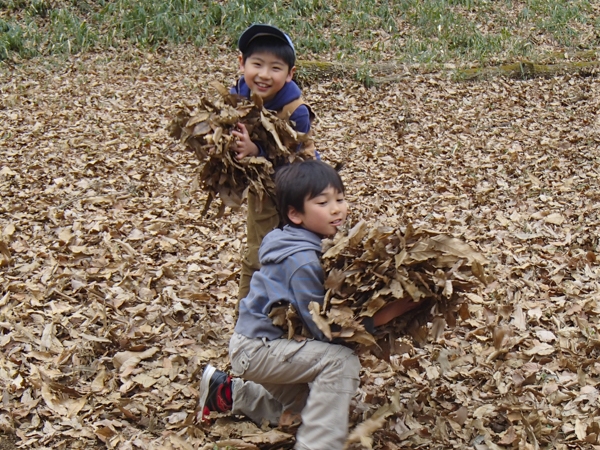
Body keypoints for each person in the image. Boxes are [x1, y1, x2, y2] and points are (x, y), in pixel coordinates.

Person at [198, 160, 418, 450]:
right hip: (258, 350)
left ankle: (224, 392)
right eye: (323, 202)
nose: (337, 208)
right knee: (341, 363)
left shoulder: (304, 240)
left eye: (339, 199)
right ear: (295, 214)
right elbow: (324, 329)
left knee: (311, 412)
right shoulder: (301, 261)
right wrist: (389, 312)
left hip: (262, 346)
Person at [230, 23, 316, 302]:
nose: (264, 75)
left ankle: (297, 312)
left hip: (303, 189)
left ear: (290, 74)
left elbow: (296, 161)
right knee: (259, 252)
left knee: (301, 251)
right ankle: (246, 322)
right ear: (242, 63)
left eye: (276, 68)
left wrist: (257, 151)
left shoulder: (296, 111)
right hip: (263, 191)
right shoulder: (238, 94)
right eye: (257, 64)